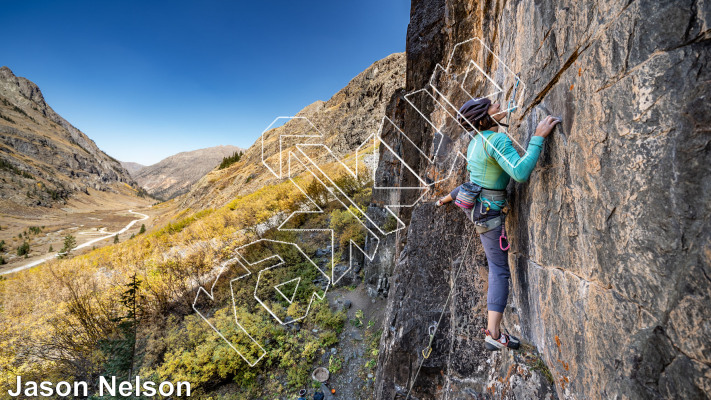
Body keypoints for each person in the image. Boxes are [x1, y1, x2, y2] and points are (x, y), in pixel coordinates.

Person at [436, 97, 559, 351]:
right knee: (499, 270)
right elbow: (520, 173)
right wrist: (537, 137)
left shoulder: (474, 143)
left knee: (496, 267)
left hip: (481, 210)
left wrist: (445, 199)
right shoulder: (497, 140)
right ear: (484, 118)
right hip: (490, 214)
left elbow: (474, 181)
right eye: (493, 106)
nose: (499, 105)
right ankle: (492, 333)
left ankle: (494, 332)